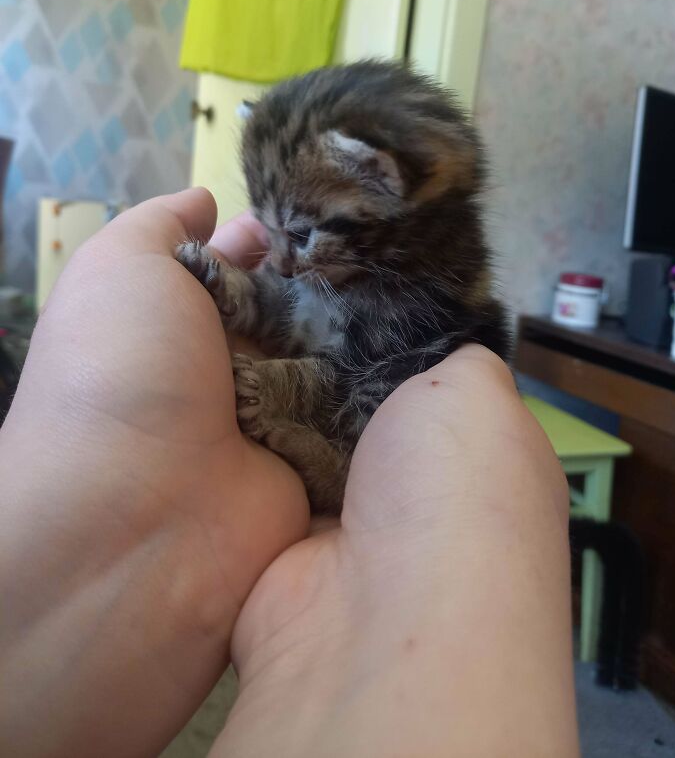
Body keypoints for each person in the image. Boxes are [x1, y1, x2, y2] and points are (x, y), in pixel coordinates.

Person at [0, 188, 579, 758]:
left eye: (299, 234)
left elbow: (341, 371)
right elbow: (285, 311)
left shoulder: (413, 284)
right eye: (276, 229)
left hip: (365, 446)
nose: (281, 254)